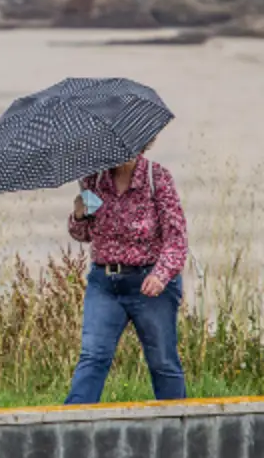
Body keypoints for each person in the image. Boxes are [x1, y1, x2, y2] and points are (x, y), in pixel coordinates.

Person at [64, 139, 189, 404]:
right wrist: (78, 216)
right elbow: (84, 234)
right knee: (93, 356)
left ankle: (177, 432)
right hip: (105, 283)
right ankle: (70, 429)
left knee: (163, 362)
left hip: (150, 284)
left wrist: (160, 274)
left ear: (142, 144)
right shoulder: (94, 181)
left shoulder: (157, 179)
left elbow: (176, 238)